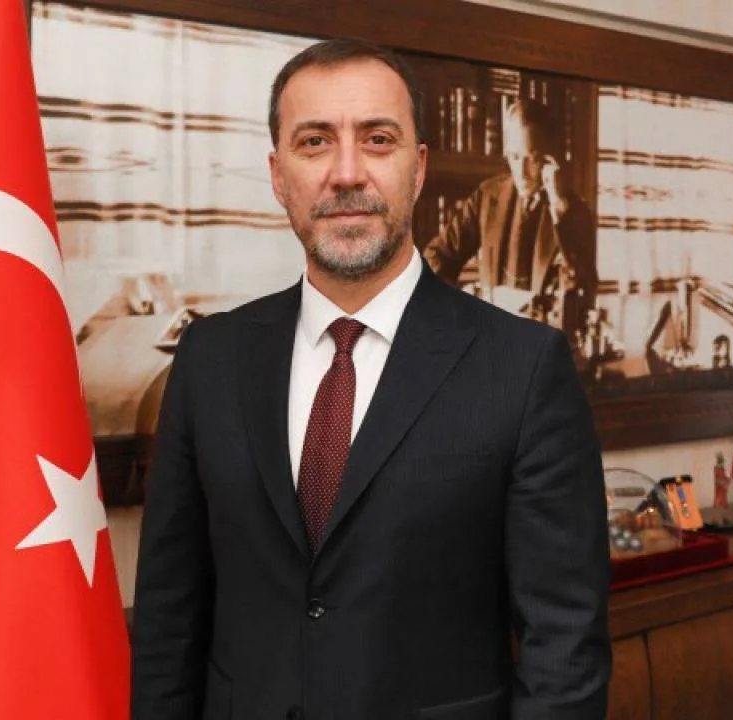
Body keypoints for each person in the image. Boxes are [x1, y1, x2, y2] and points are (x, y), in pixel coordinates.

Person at [130, 38, 611, 720]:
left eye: (378, 140)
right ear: (277, 174)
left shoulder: (525, 368)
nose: (347, 173)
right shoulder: (209, 358)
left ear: (418, 169)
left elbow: (564, 652)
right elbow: (167, 621)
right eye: (315, 142)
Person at [422, 97, 597, 331]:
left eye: (531, 159)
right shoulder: (487, 197)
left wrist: (559, 206)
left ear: (549, 158)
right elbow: (435, 256)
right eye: (514, 157)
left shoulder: (573, 212)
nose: (521, 172)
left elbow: (582, 286)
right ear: (505, 152)